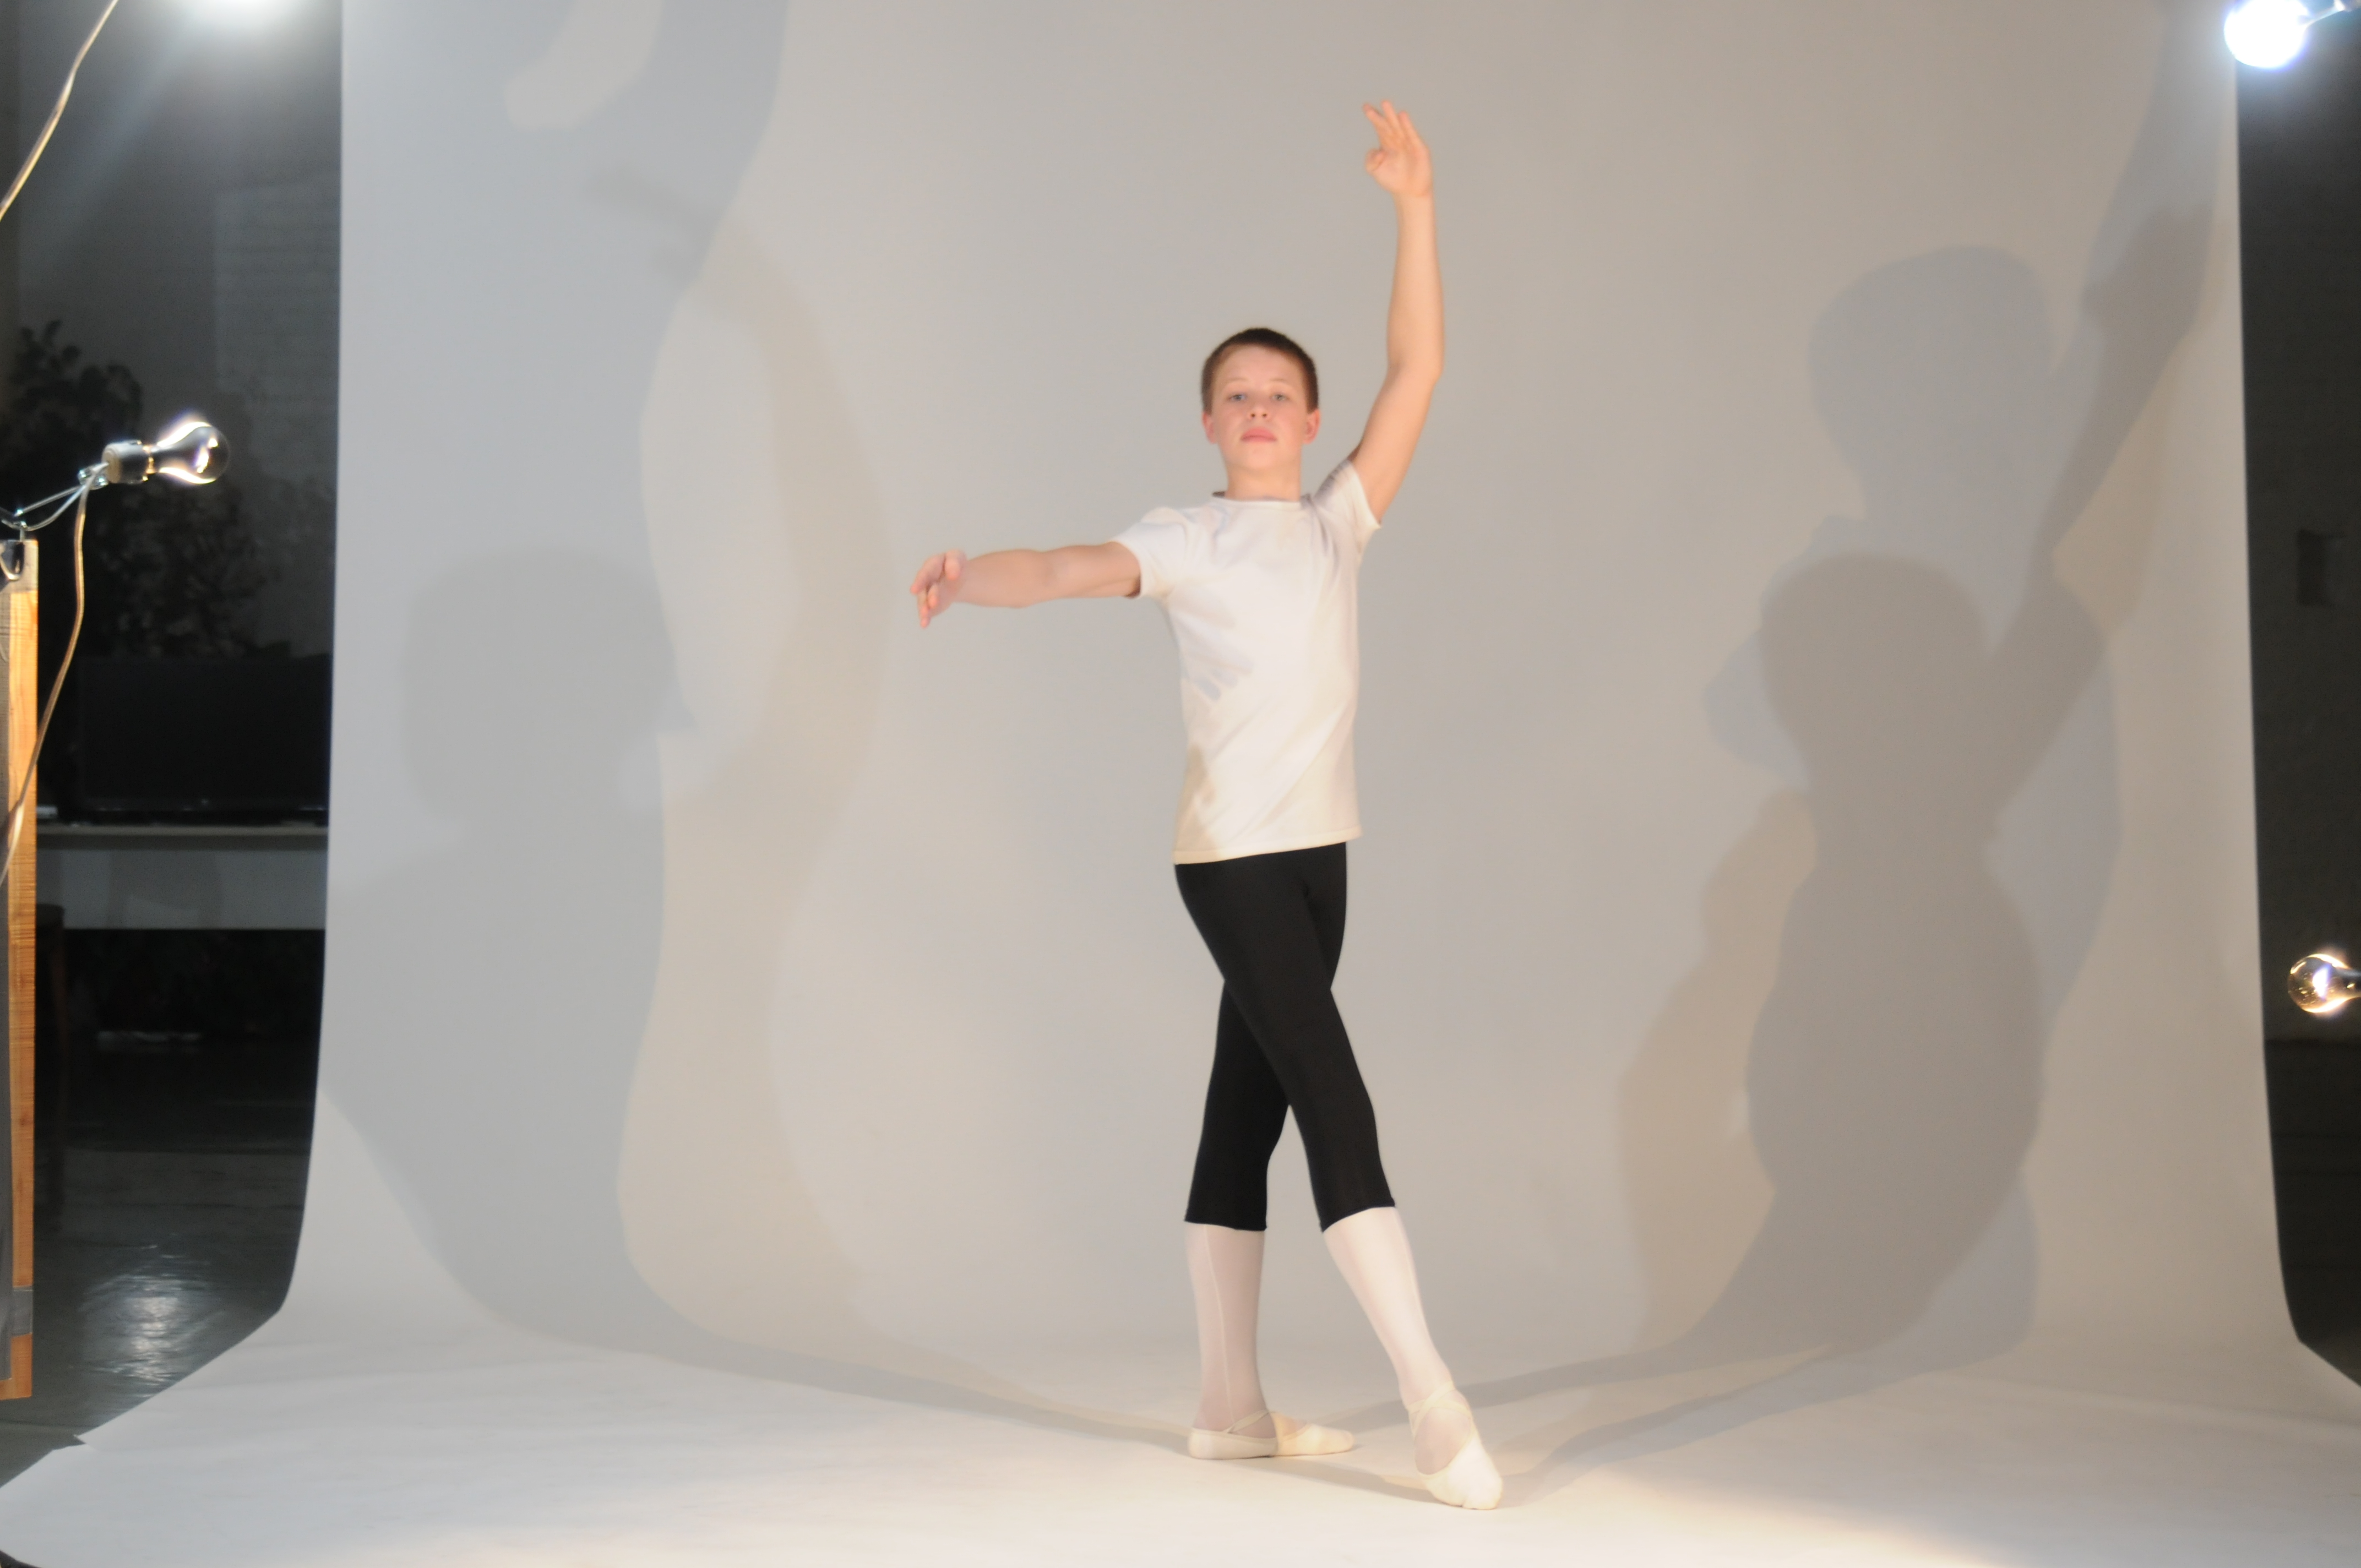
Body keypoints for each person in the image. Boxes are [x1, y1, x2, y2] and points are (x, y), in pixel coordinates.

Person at [908, 101, 1499, 1511]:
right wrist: (971, 576)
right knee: (1334, 1098)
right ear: (1208, 422)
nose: (1258, 409)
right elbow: (1063, 567)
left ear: (1309, 419)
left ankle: (1228, 1409)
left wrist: (1415, 206)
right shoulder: (1186, 537)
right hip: (1231, 857)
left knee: (1246, 1110)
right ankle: (1435, 1402)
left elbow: (1417, 366)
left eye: (1279, 393)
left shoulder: (1338, 521)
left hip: (1319, 859)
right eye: (1235, 394)